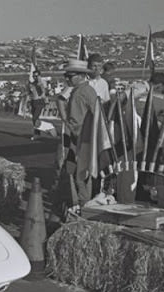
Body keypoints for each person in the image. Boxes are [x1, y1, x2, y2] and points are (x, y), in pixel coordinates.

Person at [61, 59, 98, 207]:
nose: (67, 79)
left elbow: (80, 121)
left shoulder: (82, 93)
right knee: (79, 172)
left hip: (82, 139)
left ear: (79, 76)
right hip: (83, 137)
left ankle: (83, 204)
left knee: (80, 175)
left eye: (69, 76)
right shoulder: (84, 90)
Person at [27, 69, 47, 140]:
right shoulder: (32, 84)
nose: (35, 77)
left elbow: (43, 92)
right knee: (35, 119)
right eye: (34, 76)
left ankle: (42, 130)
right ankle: (38, 133)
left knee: (35, 117)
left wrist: (40, 87)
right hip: (33, 101)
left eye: (36, 76)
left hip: (39, 102)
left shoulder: (41, 83)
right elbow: (29, 93)